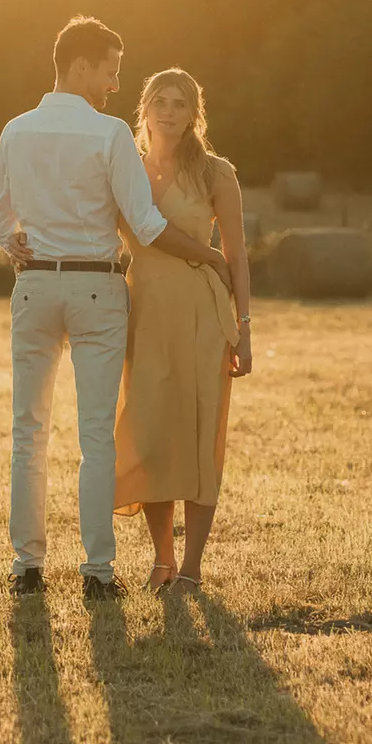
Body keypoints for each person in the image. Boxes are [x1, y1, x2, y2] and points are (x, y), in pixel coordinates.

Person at [0, 17, 229, 601]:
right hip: (97, 289)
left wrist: (17, 244)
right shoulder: (110, 134)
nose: (113, 86)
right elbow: (146, 224)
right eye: (109, 72)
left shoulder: (14, 131)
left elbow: (2, 222)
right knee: (96, 434)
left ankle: (27, 566)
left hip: (35, 286)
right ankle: (98, 571)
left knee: (28, 429)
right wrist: (209, 256)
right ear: (80, 67)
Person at [113, 69, 252, 593]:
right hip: (143, 312)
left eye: (180, 104)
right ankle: (162, 557)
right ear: (144, 109)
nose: (168, 112)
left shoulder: (216, 172)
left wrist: (245, 328)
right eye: (159, 102)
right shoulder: (125, 166)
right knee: (149, 434)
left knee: (198, 437)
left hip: (201, 314)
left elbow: (236, 255)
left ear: (195, 114)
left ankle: (192, 566)